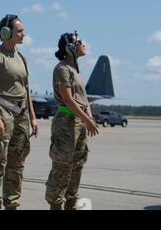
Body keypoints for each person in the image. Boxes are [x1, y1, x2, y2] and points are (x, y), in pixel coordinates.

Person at [0, 14, 39, 210]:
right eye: (19, 31)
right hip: (3, 112)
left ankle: (12, 204)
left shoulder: (22, 57)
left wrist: (33, 117)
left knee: (17, 164)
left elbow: (26, 89)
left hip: (21, 116)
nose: (23, 34)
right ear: (6, 33)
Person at [45, 31, 99, 210]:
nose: (83, 44)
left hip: (79, 123)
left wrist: (89, 118)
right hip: (66, 123)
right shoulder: (62, 69)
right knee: (61, 167)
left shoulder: (75, 70)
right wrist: (87, 119)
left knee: (77, 166)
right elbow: (68, 100)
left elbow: (83, 99)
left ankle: (71, 204)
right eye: (79, 42)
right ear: (69, 47)